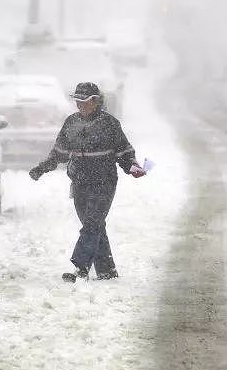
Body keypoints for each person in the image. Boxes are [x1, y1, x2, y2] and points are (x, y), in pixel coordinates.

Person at [29, 82, 146, 281]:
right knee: (94, 225)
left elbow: (124, 150)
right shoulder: (71, 123)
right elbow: (59, 153)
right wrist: (42, 168)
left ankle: (81, 267)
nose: (80, 105)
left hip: (104, 182)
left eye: (84, 101)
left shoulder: (109, 123)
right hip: (80, 181)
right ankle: (107, 270)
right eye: (77, 101)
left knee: (91, 225)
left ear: (95, 101)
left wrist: (132, 166)